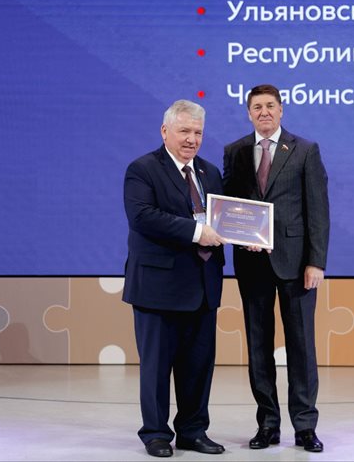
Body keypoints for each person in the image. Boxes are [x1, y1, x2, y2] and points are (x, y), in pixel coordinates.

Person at [223, 84, 330, 452]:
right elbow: (230, 206)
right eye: (257, 107)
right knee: (258, 347)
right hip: (252, 263)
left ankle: (305, 427)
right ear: (249, 113)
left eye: (270, 105)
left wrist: (316, 261)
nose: (264, 112)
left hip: (296, 265)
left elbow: (318, 211)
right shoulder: (235, 151)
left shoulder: (305, 150)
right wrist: (239, 237)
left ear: (281, 110)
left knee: (302, 348)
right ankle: (267, 424)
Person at [123, 100, 226, 458]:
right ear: (165, 131)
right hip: (158, 290)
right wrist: (197, 232)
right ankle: (155, 434)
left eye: (198, 132)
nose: (192, 139)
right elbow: (143, 217)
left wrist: (250, 237)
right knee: (156, 368)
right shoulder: (142, 169)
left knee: (198, 367)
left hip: (203, 287)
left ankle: (193, 432)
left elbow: (225, 220)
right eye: (184, 131)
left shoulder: (210, 172)